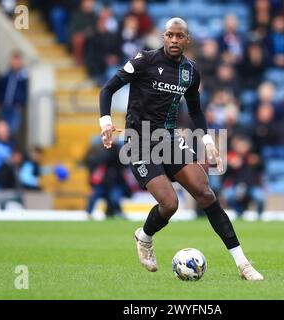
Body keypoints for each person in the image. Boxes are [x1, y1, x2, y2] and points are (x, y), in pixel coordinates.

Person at [98, 18, 263, 281]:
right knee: (170, 203)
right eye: (170, 35)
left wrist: (208, 141)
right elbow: (108, 89)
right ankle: (144, 237)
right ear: (164, 37)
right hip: (139, 143)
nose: (174, 40)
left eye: (180, 36)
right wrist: (106, 122)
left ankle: (243, 264)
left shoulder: (190, 71)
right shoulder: (144, 60)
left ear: (187, 40)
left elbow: (196, 110)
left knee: (206, 194)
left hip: (170, 141)